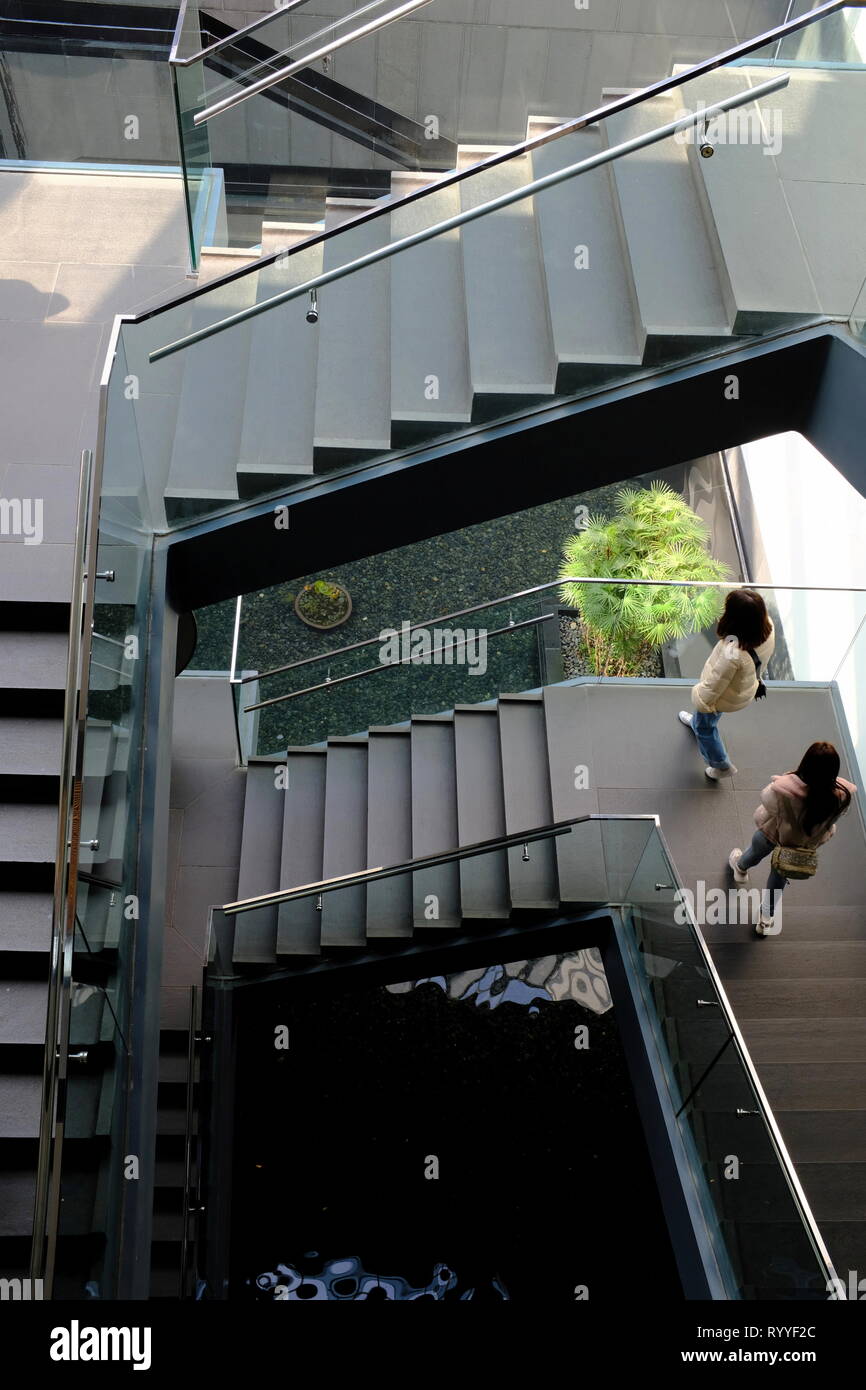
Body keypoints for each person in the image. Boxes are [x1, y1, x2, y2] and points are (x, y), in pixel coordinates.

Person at [729, 742, 855, 936]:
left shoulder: (784, 791)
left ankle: (740, 868)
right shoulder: (841, 796)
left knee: (754, 852)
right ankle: (765, 919)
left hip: (773, 833)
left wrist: (787, 779)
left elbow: (767, 802)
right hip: (800, 846)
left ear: (806, 763)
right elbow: (833, 821)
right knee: (779, 877)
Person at [678, 588, 775, 779]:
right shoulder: (767, 628)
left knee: (706, 727)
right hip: (742, 687)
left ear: (736, 618)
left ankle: (722, 766)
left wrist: (701, 701)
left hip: (724, 697)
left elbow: (716, 683)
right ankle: (697, 722)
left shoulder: (733, 652)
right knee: (704, 720)